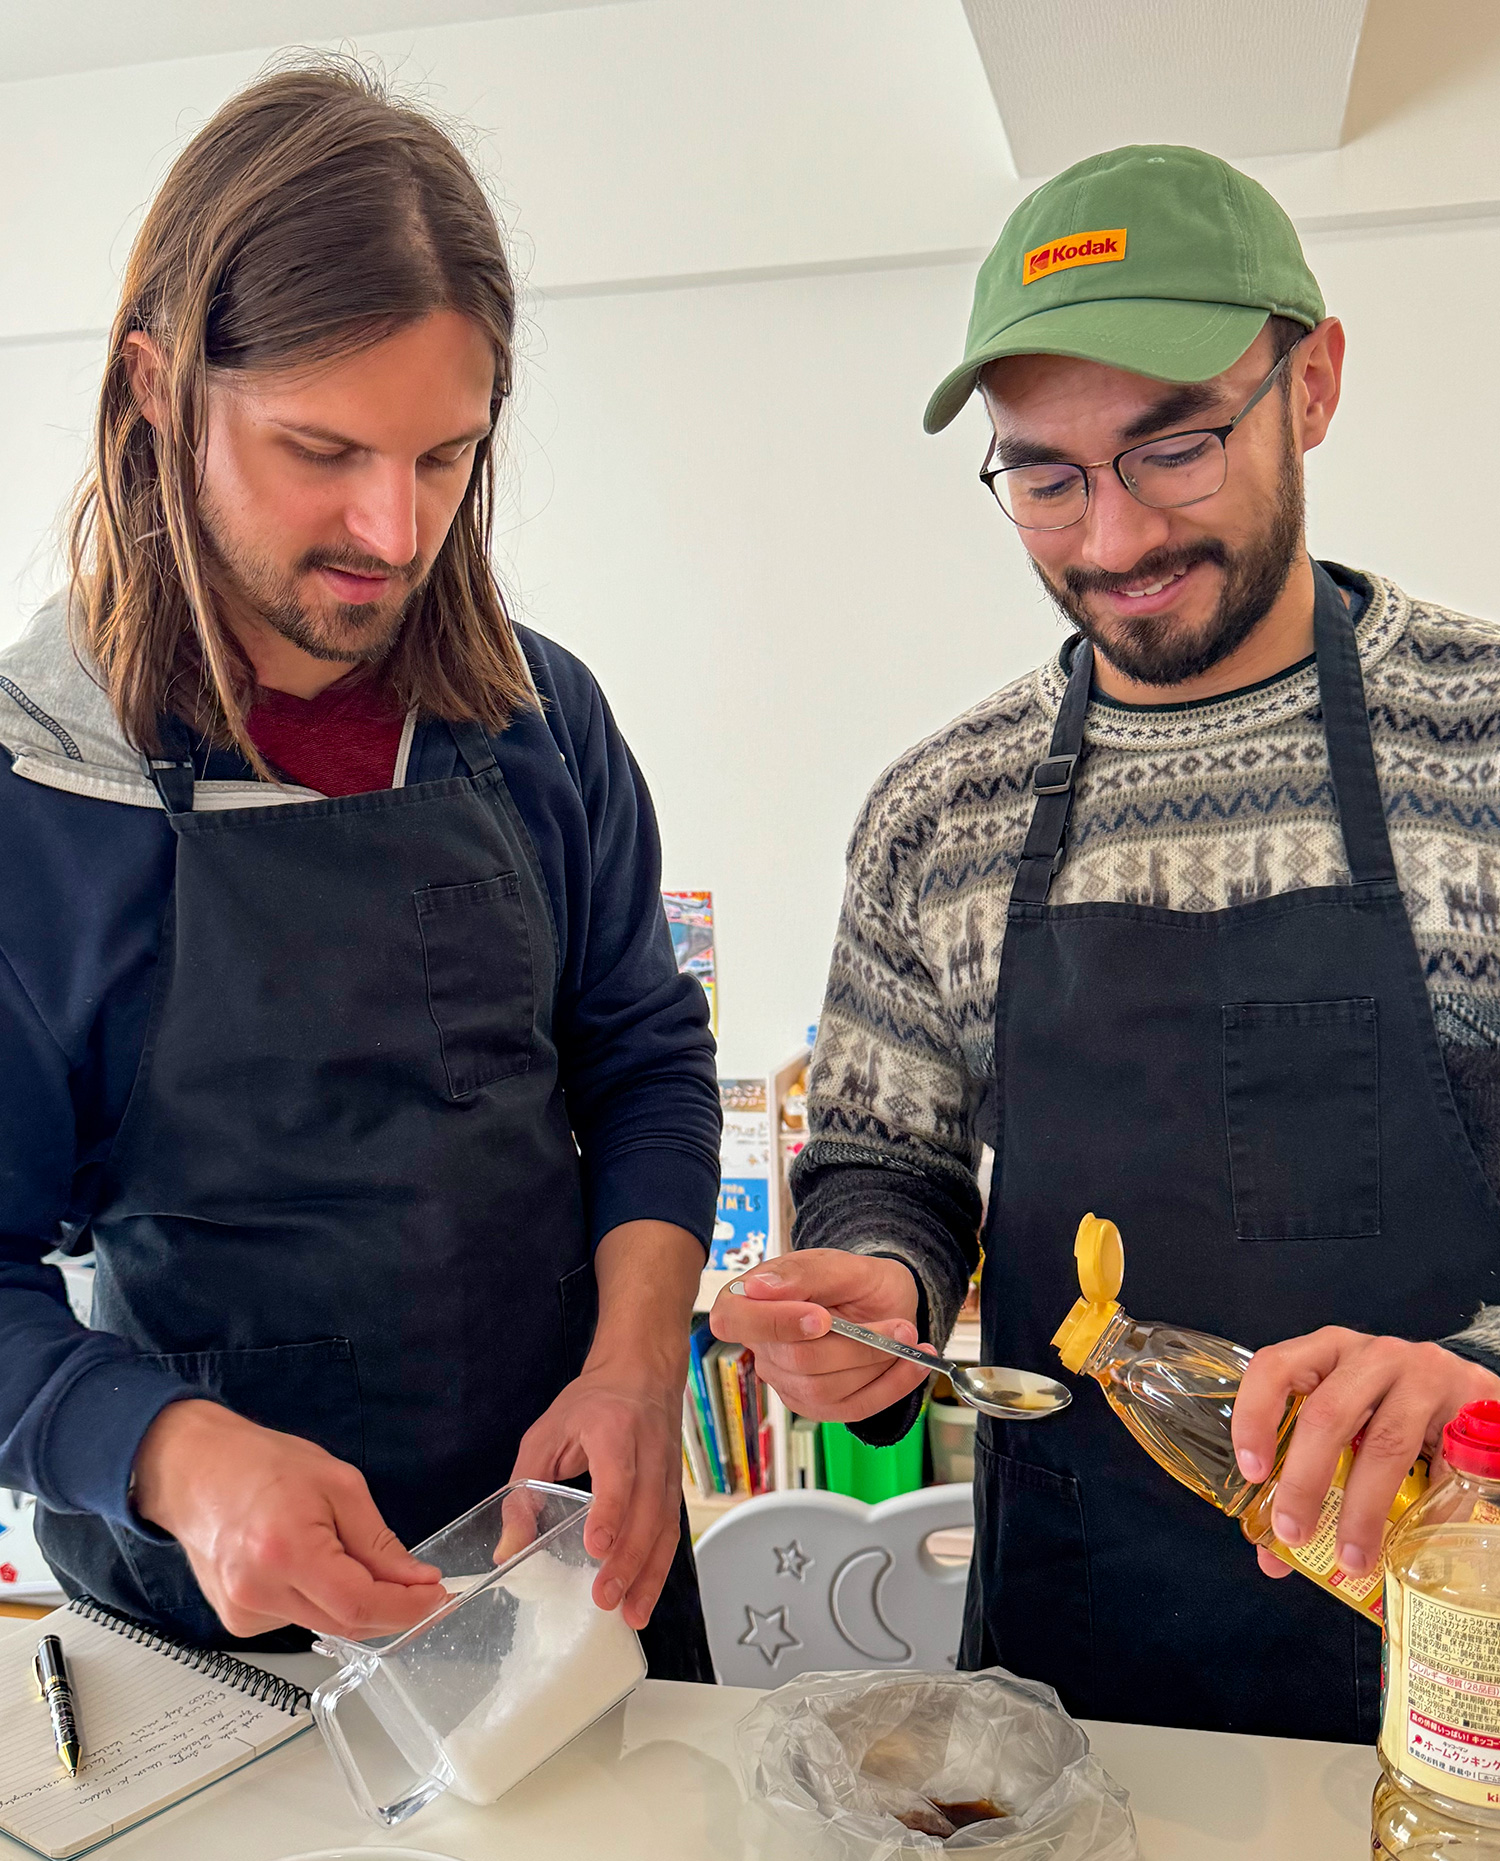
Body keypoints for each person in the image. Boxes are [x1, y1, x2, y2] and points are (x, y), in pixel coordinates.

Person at [714, 143, 1500, 1741]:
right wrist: (884, 1277)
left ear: (1316, 381)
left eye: (1177, 447)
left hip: (1461, 1668)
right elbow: (887, 1156)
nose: (1113, 538)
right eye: (1046, 476)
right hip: (1085, 1679)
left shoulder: (1479, 750)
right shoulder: (940, 810)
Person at [0, 62, 721, 1674]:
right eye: (320, 450)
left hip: (570, 1589)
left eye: (448, 459)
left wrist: (634, 1360)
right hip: (227, 1645)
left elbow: (645, 1059)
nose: (392, 535)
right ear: (152, 388)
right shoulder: (41, 792)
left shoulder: (542, 725)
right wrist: (171, 1454)